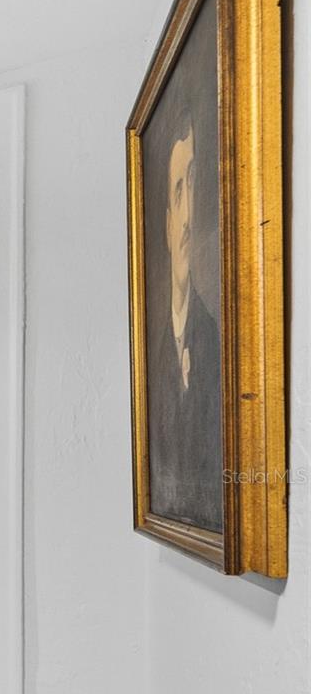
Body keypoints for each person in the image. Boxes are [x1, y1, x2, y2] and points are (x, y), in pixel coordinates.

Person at [147, 111, 223, 531]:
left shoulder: (213, 338)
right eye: (178, 189)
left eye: (194, 182)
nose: (190, 212)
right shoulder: (153, 352)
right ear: (165, 220)